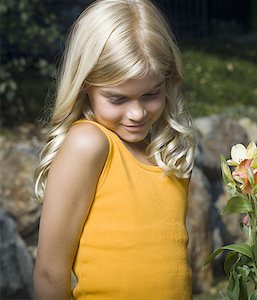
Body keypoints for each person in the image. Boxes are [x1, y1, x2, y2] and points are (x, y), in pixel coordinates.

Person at [33, 0, 195, 298]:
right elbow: (49, 271)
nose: (136, 113)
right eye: (118, 99)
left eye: (150, 94)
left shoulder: (165, 151)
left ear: (167, 82)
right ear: (85, 87)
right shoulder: (90, 144)